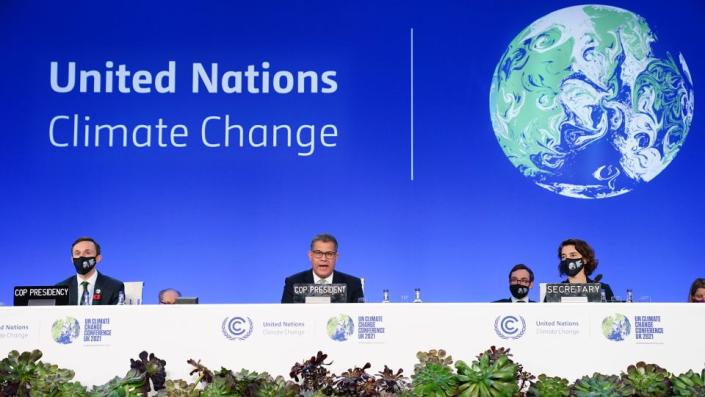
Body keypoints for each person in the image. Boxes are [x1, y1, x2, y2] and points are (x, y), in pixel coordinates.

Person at [281, 233, 364, 303]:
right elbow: (285, 316)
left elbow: (358, 317)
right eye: (318, 253)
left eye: (329, 254)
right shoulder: (293, 283)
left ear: (336, 257)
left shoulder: (353, 284)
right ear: (310, 256)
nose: (323, 259)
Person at [56, 237, 125, 305]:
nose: (81, 256)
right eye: (77, 253)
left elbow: (116, 315)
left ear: (98, 258)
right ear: (72, 260)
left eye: (87, 253)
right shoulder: (60, 288)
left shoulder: (114, 287)